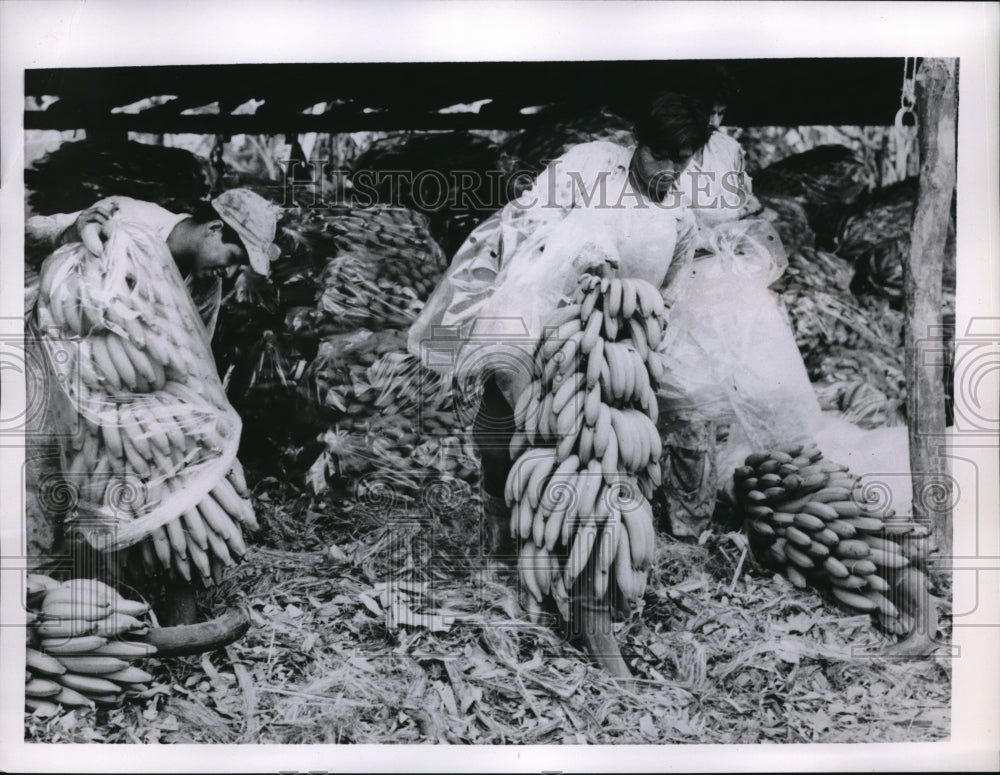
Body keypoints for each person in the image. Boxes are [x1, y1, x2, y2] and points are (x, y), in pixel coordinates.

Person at [409, 92, 712, 553]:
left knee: (620, 438)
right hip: (549, 318)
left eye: (682, 160)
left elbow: (667, 300)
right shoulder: (589, 165)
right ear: (636, 141)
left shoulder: (679, 220)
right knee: (502, 418)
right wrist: (585, 252)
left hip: (617, 349)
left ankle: (603, 539)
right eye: (659, 155)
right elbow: (526, 219)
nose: (668, 171)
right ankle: (498, 524)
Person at [25, 189, 281, 335]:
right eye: (233, 258)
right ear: (214, 228)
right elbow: (26, 237)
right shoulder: (126, 217)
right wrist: (70, 234)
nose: (229, 272)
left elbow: (197, 352)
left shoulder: (207, 287)